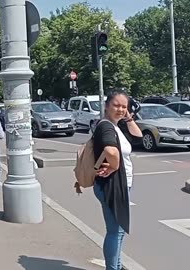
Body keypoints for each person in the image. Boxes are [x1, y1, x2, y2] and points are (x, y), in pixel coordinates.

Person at [92, 90, 142, 270]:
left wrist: (128, 118)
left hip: (117, 184)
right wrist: (114, 166)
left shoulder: (116, 126)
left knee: (118, 232)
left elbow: (138, 138)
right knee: (116, 232)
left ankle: (116, 266)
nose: (120, 109)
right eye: (116, 105)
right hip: (112, 185)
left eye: (124, 106)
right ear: (106, 106)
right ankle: (113, 268)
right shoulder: (106, 126)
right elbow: (112, 152)